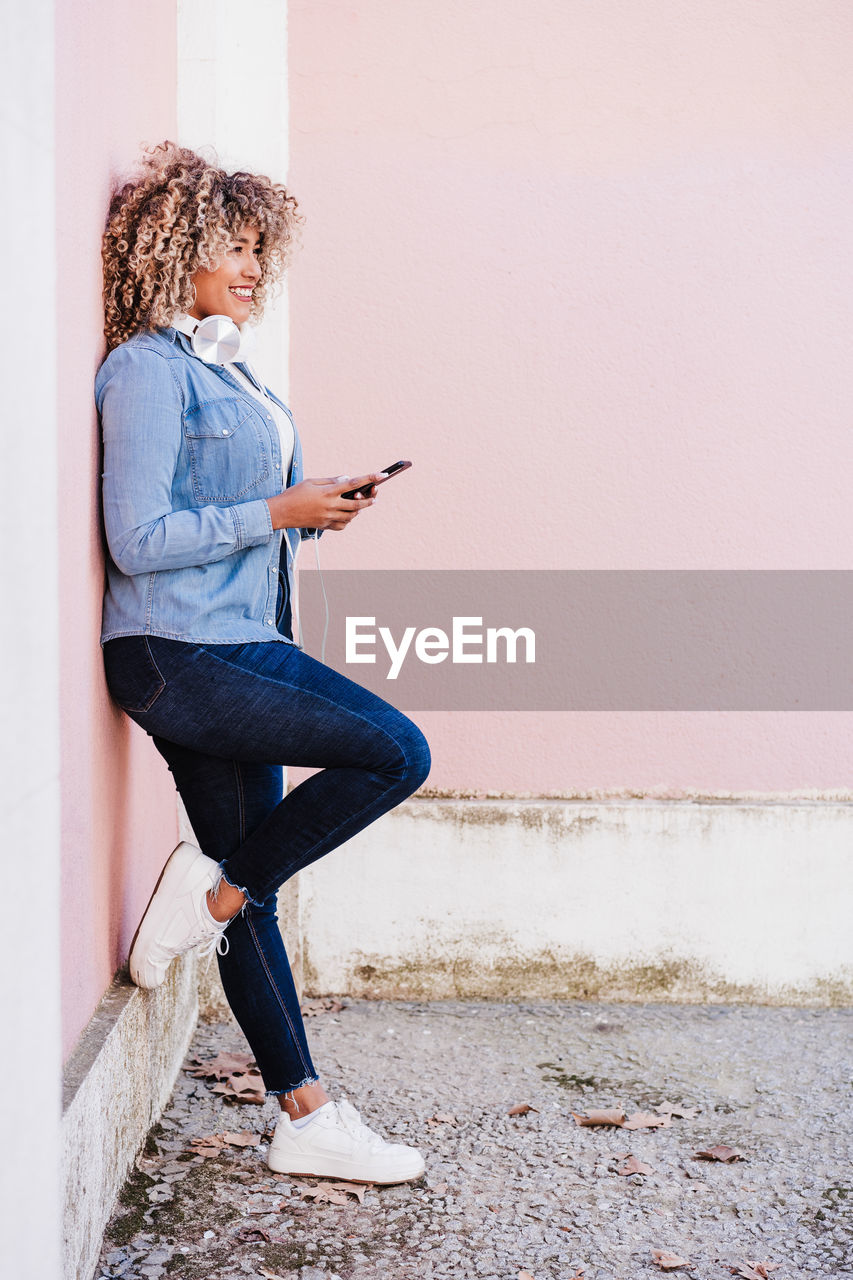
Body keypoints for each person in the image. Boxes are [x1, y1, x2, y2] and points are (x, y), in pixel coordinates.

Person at [97, 141, 431, 1184]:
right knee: (395, 750)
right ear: (172, 252)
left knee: (258, 881)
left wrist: (314, 512)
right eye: (229, 246)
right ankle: (209, 899)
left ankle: (303, 1115)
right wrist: (276, 509)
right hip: (175, 653)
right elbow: (139, 538)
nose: (250, 265)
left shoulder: (228, 367)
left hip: (238, 643)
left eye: (257, 248)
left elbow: (236, 520)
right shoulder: (146, 371)